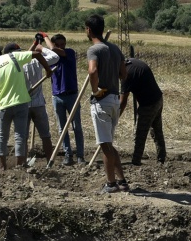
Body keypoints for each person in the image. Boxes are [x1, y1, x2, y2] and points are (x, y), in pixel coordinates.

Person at [0, 38, 60, 170]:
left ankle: (3, 165)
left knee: (3, 136)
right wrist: (47, 68)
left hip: (5, 105)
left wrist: (0, 105)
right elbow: (41, 55)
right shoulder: (14, 58)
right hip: (23, 102)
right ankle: (21, 165)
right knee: (23, 135)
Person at [84, 14, 129, 193]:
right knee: (109, 144)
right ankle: (122, 181)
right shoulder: (115, 48)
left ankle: (111, 184)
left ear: (88, 29)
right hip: (114, 100)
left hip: (101, 101)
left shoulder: (94, 50)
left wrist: (95, 90)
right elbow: (124, 74)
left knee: (104, 145)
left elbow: (92, 71)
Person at [3, 40, 54, 160]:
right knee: (45, 136)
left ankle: (22, 162)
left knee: (22, 137)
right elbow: (53, 57)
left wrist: (35, 44)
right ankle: (49, 161)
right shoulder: (35, 62)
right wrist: (40, 47)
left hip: (22, 105)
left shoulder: (12, 67)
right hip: (38, 104)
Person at [123, 54, 166, 166]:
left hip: (148, 104)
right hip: (158, 98)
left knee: (140, 133)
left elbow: (123, 101)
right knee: (156, 130)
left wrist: (115, 117)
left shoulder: (126, 75)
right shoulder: (133, 62)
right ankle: (161, 158)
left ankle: (136, 161)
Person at [50, 33, 84, 164]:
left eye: (63, 44)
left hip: (71, 95)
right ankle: (67, 154)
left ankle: (80, 155)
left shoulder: (69, 52)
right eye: (58, 45)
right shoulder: (51, 58)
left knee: (77, 127)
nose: (61, 47)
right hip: (57, 96)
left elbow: (54, 50)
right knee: (62, 128)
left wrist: (46, 39)